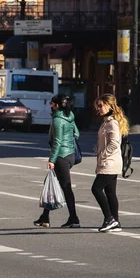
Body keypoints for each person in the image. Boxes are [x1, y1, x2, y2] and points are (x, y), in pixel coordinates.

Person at [33, 94, 80, 228]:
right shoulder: (69, 116)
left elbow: (57, 142)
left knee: (66, 187)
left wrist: (52, 160)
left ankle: (74, 218)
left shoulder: (58, 120)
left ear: (57, 105)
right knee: (52, 184)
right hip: (69, 155)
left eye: (52, 103)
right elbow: (77, 133)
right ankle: (44, 217)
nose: (50, 105)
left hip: (61, 157)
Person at [92, 94, 129, 232]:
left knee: (96, 189)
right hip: (110, 162)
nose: (99, 108)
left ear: (110, 106)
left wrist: (103, 155)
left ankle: (109, 218)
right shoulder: (106, 122)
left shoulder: (112, 123)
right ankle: (116, 222)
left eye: (101, 105)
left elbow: (114, 143)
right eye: (98, 106)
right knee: (110, 192)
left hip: (109, 163)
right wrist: (98, 149)